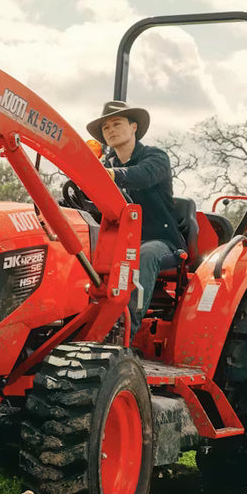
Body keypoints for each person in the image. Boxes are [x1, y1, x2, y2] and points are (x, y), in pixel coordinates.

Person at [85, 100, 183, 333]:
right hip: (118, 242)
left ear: (133, 127)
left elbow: (141, 176)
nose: (110, 130)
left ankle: (124, 331)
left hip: (160, 241)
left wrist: (108, 175)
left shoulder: (156, 158)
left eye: (117, 124)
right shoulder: (105, 165)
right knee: (80, 254)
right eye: (106, 127)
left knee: (141, 255)